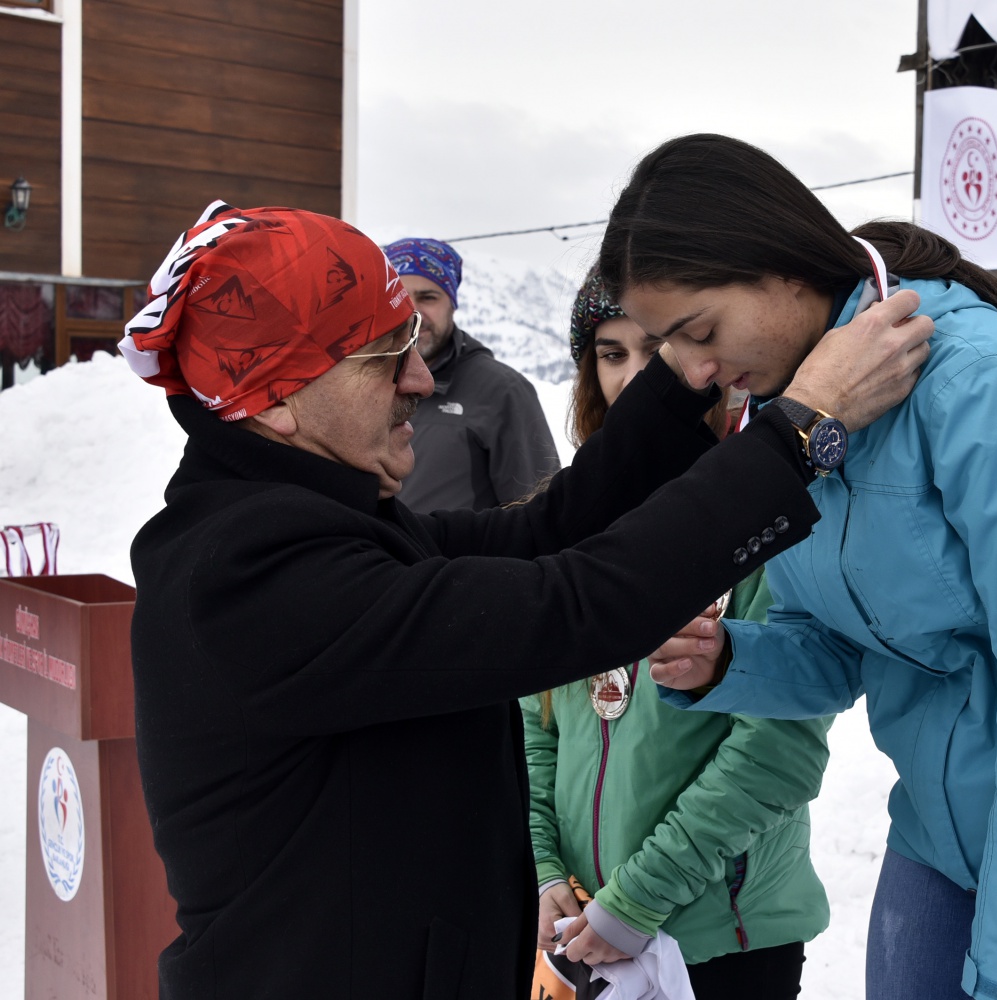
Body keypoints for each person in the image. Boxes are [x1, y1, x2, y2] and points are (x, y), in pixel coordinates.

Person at [118, 200, 932, 999]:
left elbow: (548, 532)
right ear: (277, 399)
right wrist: (799, 430)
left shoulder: (312, 526)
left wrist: (687, 379)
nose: (421, 377)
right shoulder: (250, 574)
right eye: (382, 357)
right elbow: (571, 605)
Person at [616, 135, 997, 1000]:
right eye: (671, 346)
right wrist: (733, 659)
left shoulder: (989, 387)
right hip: (942, 825)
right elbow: (845, 640)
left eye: (699, 332)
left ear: (780, 269)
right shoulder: (792, 416)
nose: (700, 372)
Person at [523, 270, 830, 999]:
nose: (634, 377)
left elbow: (777, 749)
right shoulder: (567, 528)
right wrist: (543, 870)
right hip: (584, 932)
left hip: (719, 939)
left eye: (658, 350)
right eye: (611, 353)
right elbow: (538, 727)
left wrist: (638, 898)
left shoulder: (769, 518)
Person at [382, 237, 558, 511]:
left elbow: (541, 513)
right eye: (401, 298)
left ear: (452, 303)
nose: (414, 312)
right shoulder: (363, 382)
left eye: (428, 297)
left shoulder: (502, 391)